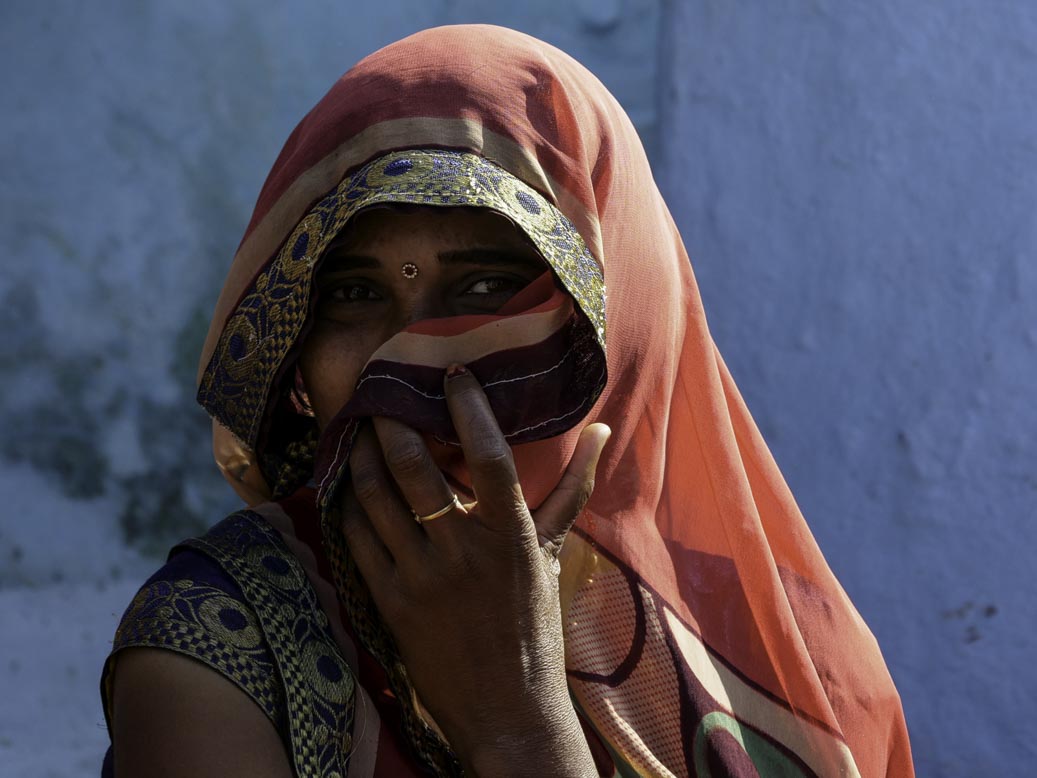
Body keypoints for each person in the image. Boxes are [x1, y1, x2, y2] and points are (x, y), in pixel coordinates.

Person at [99, 24, 914, 777]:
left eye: (487, 286)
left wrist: (518, 712)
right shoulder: (221, 640)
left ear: (618, 320)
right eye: (351, 293)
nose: (413, 354)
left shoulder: (790, 656)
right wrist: (517, 730)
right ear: (294, 353)